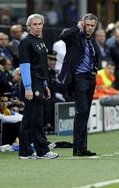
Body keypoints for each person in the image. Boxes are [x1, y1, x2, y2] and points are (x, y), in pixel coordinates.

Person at [18, 13, 59, 159]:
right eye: (34, 24)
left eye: (39, 24)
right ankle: (43, 151)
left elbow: (42, 66)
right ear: (28, 26)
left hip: (39, 82)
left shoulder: (40, 41)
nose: (37, 27)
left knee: (28, 118)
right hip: (32, 83)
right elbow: (24, 66)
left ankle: (25, 151)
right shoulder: (26, 42)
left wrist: (45, 84)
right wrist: (28, 87)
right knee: (37, 118)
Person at [58, 13, 99, 156]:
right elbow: (63, 36)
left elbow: (95, 57)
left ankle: (80, 148)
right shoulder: (74, 36)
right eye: (87, 25)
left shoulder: (92, 40)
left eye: (92, 26)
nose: (89, 28)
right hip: (79, 78)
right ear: (83, 24)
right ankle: (80, 148)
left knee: (85, 113)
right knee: (81, 112)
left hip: (90, 78)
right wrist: (77, 27)